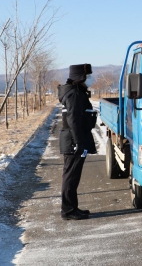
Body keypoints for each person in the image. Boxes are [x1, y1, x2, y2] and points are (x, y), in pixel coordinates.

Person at [58, 64, 97, 220]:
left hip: (75, 139)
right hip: (73, 141)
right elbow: (73, 120)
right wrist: (79, 142)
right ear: (80, 77)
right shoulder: (74, 94)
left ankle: (72, 207)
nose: (89, 79)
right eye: (87, 76)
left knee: (73, 175)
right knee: (71, 176)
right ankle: (68, 210)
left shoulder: (77, 92)